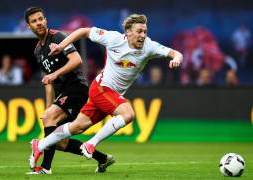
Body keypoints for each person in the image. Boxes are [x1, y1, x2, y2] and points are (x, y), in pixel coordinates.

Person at [30, 14, 183, 164]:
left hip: (111, 95)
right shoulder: (113, 38)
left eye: (145, 31)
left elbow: (176, 53)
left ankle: (40, 145)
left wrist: (176, 59)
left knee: (77, 127)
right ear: (128, 32)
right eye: (139, 31)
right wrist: (62, 46)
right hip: (101, 88)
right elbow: (83, 31)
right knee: (128, 114)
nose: (143, 35)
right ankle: (90, 144)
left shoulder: (150, 47)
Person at [25, 7, 115, 174]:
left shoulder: (57, 37)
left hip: (76, 87)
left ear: (45, 20)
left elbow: (76, 60)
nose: (39, 23)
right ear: (28, 26)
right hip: (62, 93)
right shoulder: (38, 50)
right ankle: (102, 158)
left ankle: (45, 168)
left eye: (40, 19)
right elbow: (48, 81)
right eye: (34, 21)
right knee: (59, 142)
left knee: (51, 120)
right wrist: (48, 108)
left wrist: (55, 75)